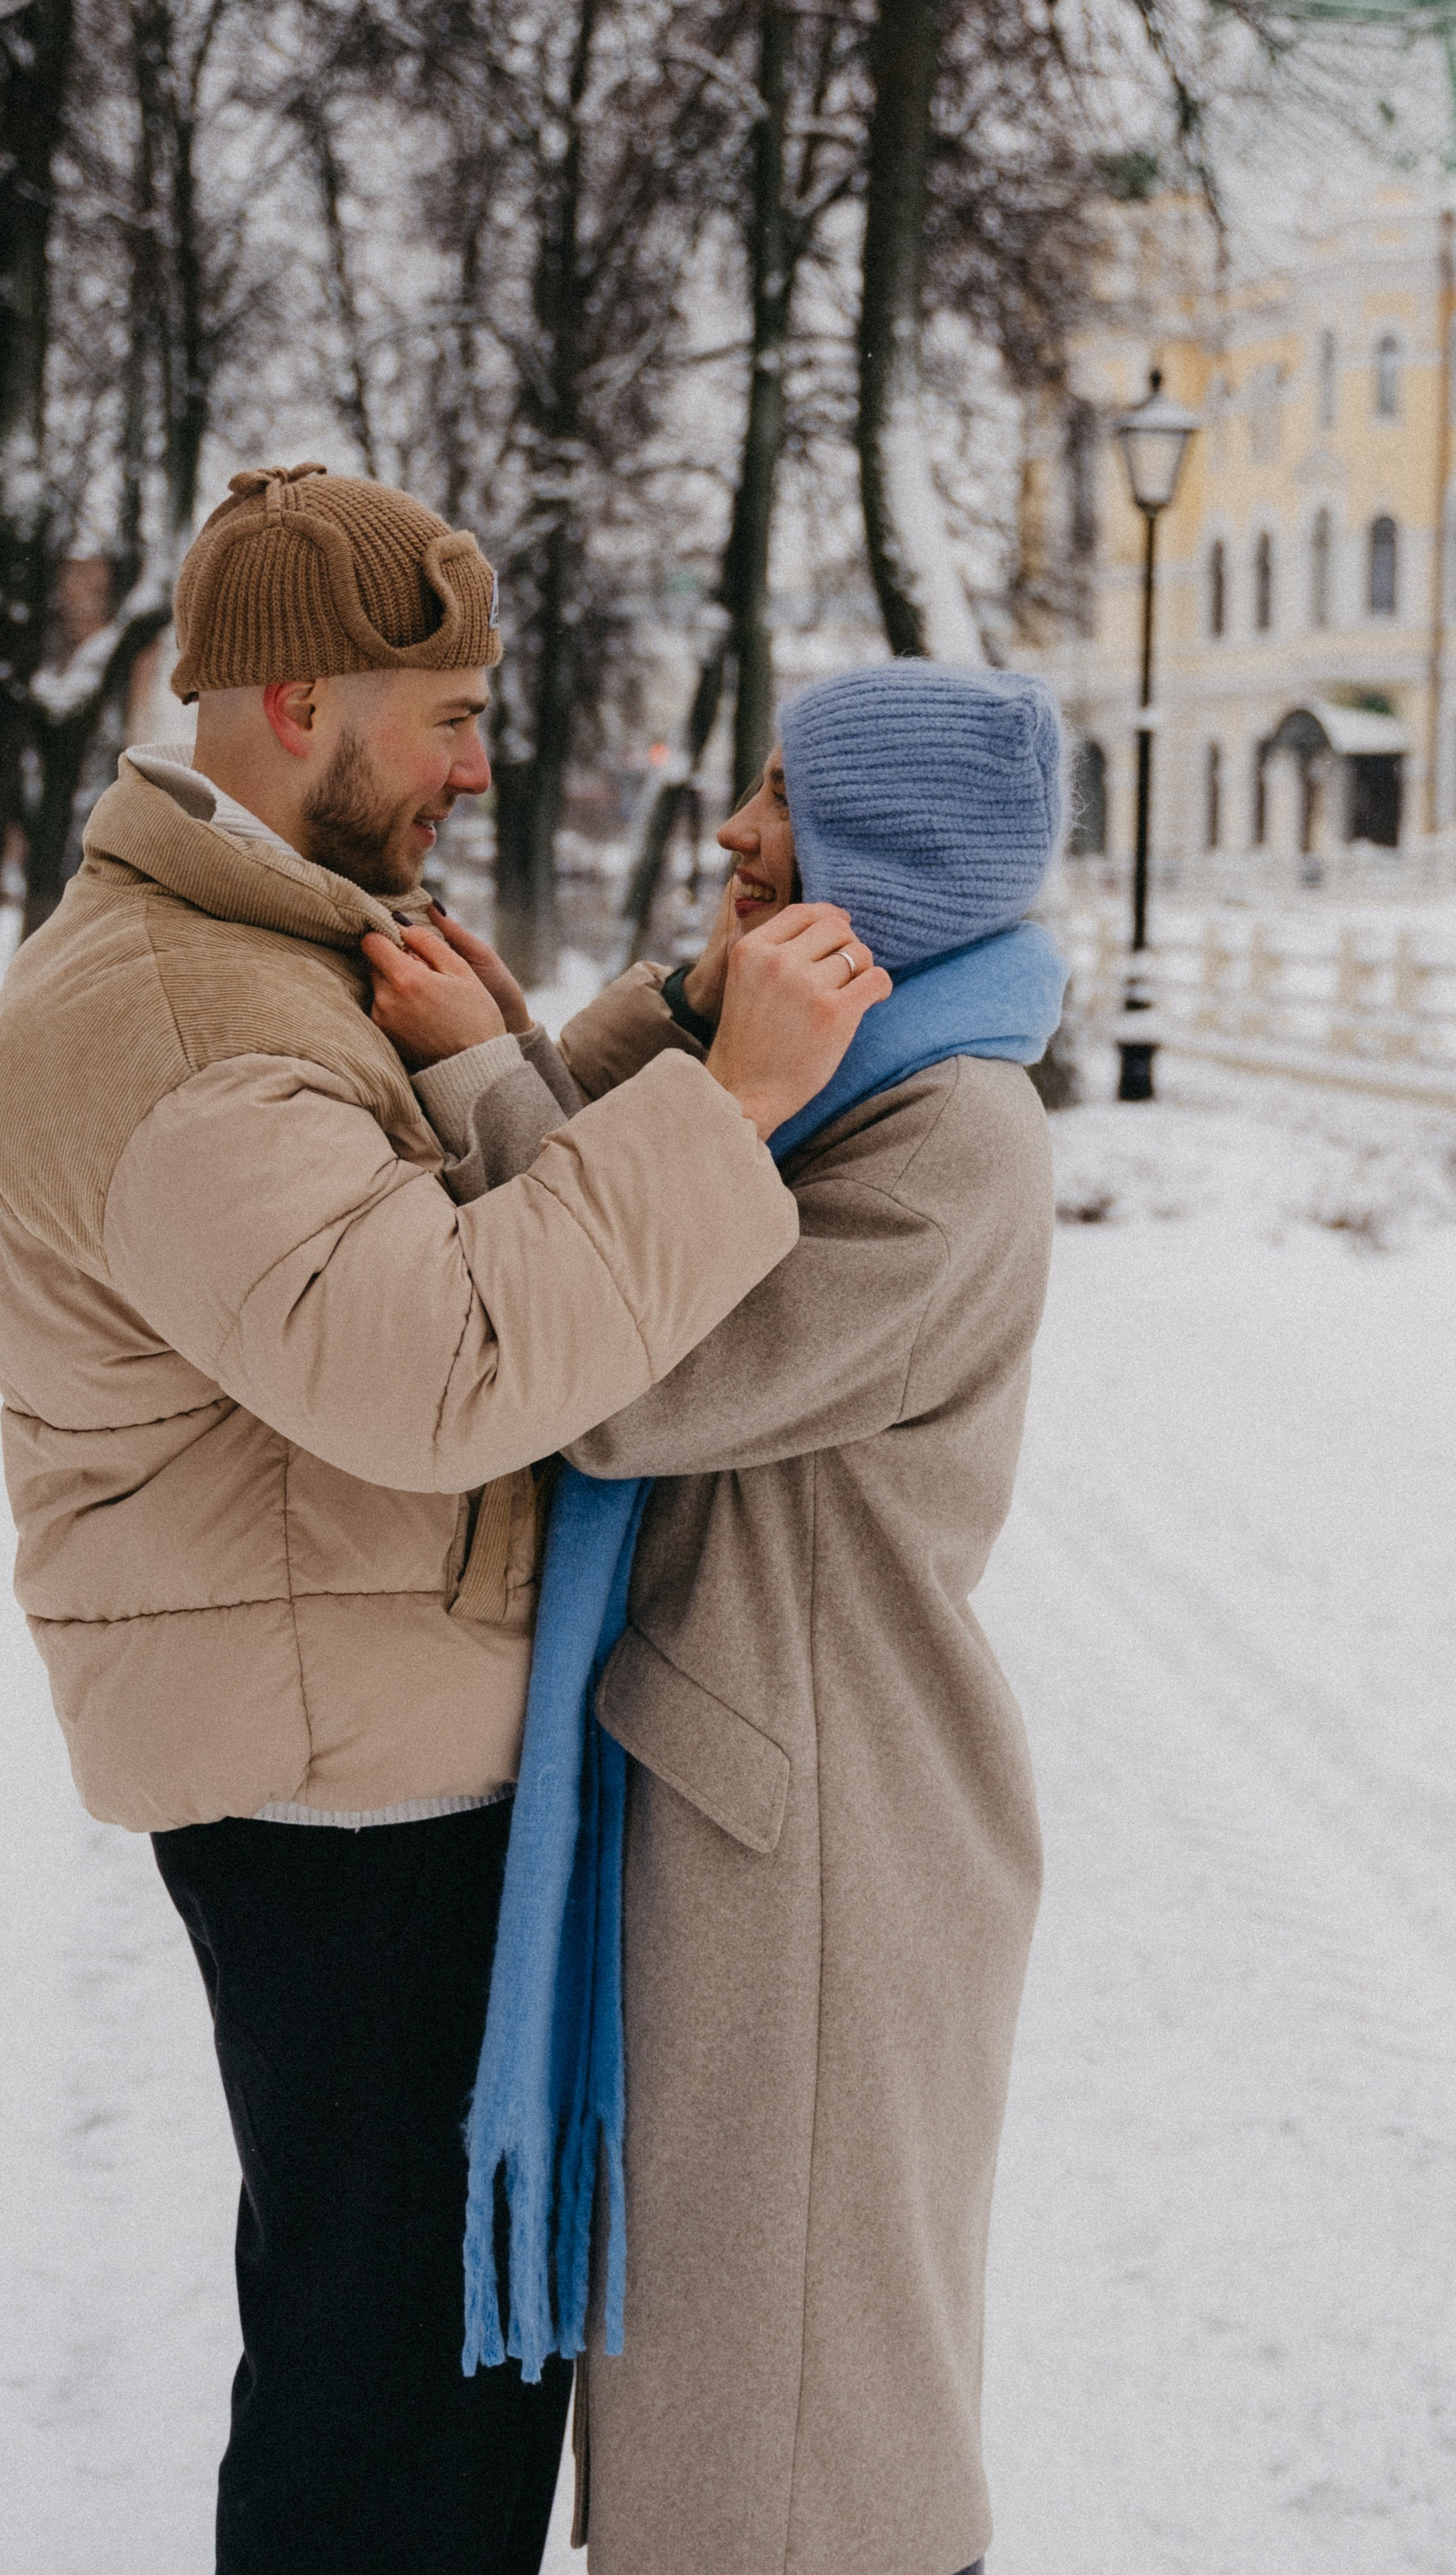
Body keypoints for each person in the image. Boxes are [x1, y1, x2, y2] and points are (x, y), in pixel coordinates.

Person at [0, 462, 887, 2575]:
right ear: (301, 703)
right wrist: (737, 1107)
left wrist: (665, 1020)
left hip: (362, 1752)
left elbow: (401, 1169)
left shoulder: (249, 953)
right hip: (344, 1795)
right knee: (389, 2410)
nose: (477, 769)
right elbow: (446, 1363)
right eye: (452, 717)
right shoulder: (183, 1020)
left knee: (400, 2359)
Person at [382, 661, 1068, 2575]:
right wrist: (681, 1005)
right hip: (761, 1802)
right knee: (728, 2414)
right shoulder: (830, 1094)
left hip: (833, 1840)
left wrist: (478, 1070)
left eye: (783, 804)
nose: (735, 835)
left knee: (795, 2450)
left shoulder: (946, 1142)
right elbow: (622, 1187)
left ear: (889, 872)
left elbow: (613, 1355)